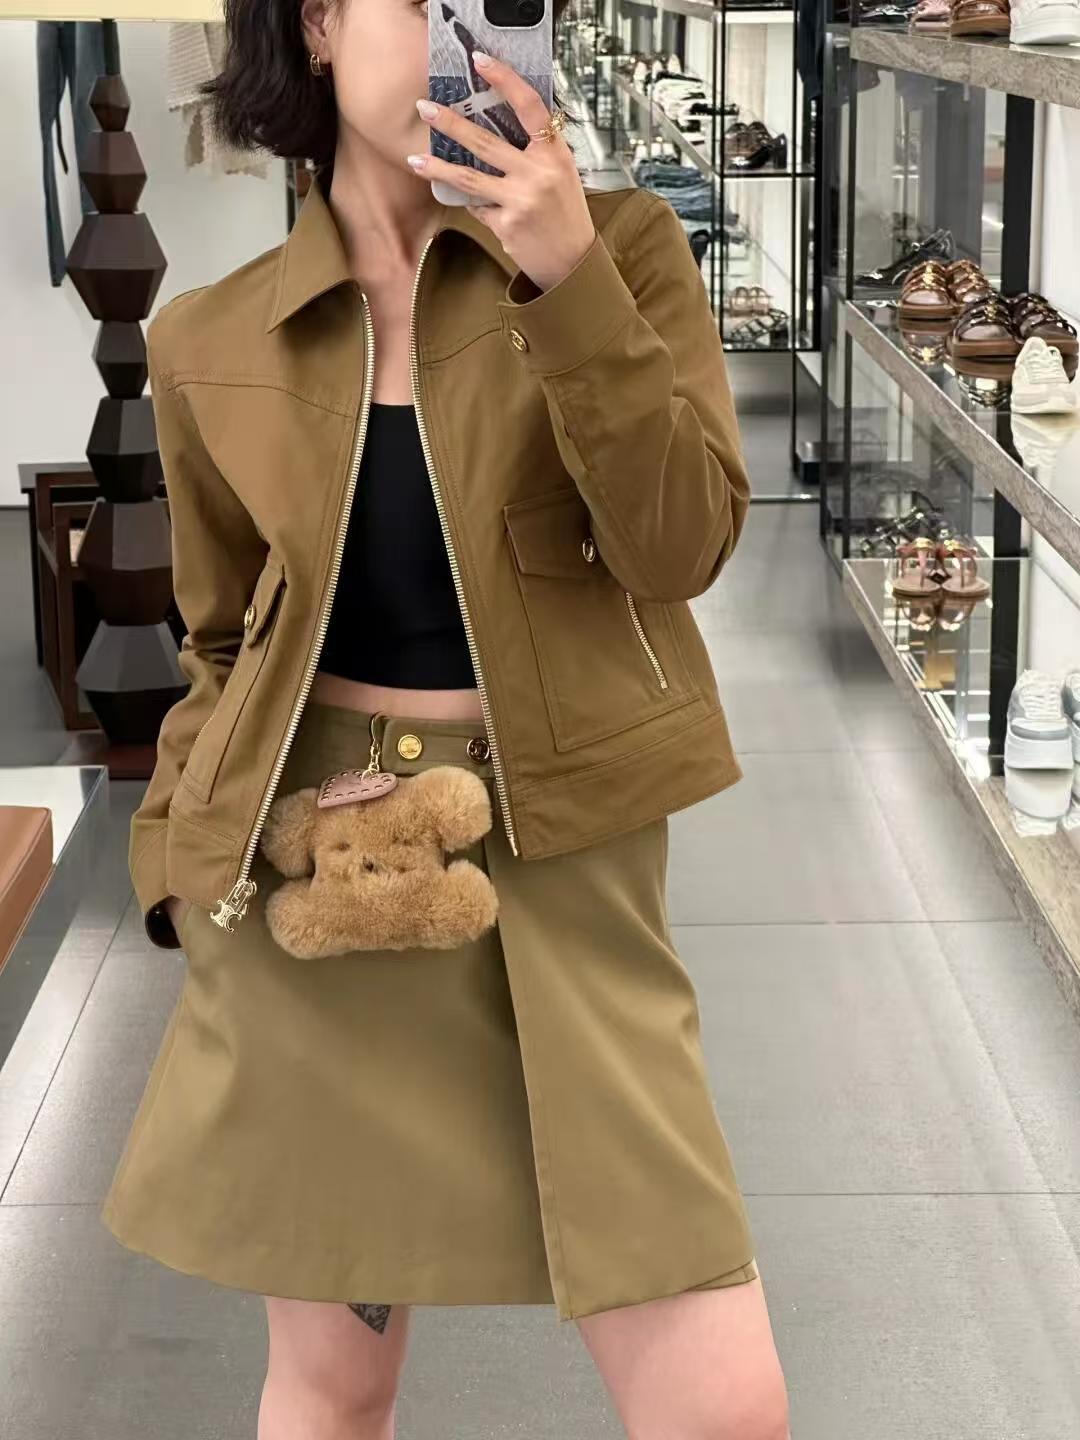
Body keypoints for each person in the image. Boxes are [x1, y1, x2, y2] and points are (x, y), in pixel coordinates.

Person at [99, 0, 791, 1435]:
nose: (465, 32)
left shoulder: (623, 255)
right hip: (322, 882)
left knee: (722, 1407)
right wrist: (173, 866)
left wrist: (568, 278)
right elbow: (220, 646)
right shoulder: (209, 340)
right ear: (320, 24)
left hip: (565, 862)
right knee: (335, 1390)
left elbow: (680, 549)